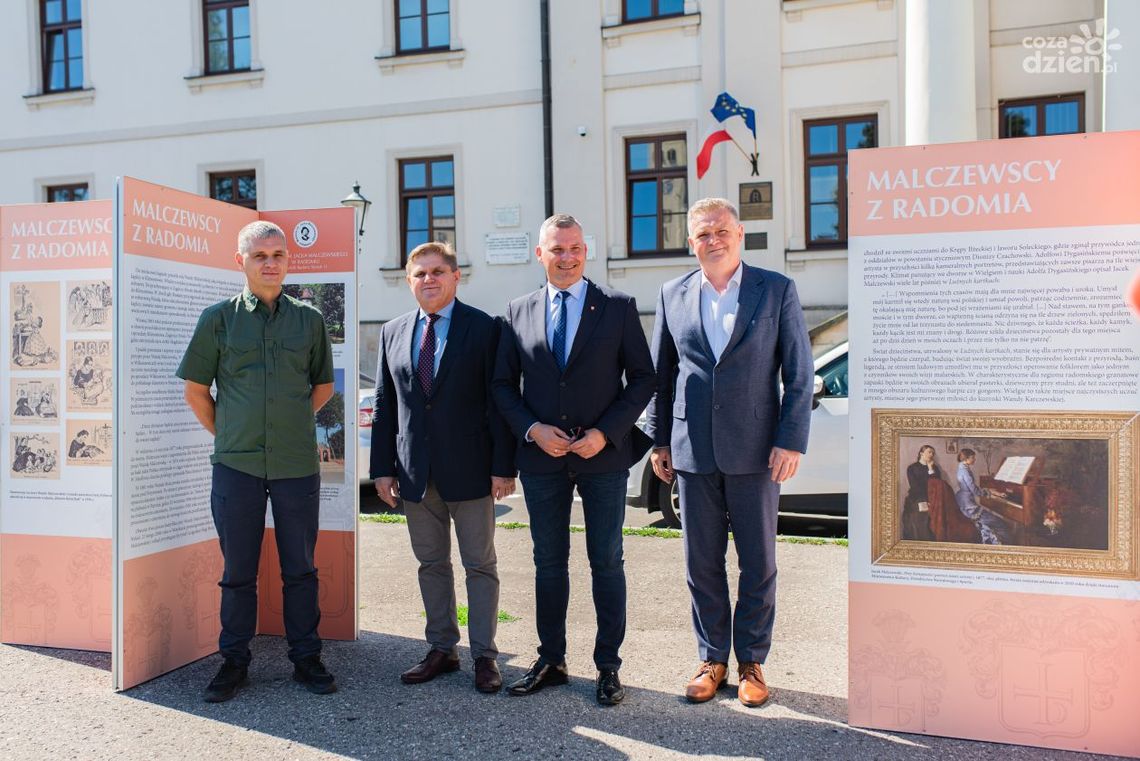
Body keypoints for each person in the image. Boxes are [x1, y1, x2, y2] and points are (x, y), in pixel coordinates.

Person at [645, 198, 813, 708]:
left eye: (720, 231)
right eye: (702, 234)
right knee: (702, 562)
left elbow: (798, 374)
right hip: (691, 448)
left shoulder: (776, 289)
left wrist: (790, 439)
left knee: (758, 562)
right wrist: (658, 439)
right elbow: (662, 374)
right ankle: (712, 658)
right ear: (690, 241)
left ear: (739, 234)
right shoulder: (672, 293)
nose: (712, 240)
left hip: (758, 451)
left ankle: (752, 663)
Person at [492, 214, 655, 706]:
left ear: (587, 251)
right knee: (548, 563)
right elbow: (502, 385)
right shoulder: (517, 311)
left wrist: (607, 432)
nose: (566, 258)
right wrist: (532, 429)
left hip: (602, 458)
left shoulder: (617, 308)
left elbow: (644, 378)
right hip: (542, 459)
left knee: (606, 560)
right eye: (556, 249)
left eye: (575, 248)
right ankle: (552, 659)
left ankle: (608, 666)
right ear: (539, 254)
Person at [177, 220, 336, 703]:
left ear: (288, 260)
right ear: (240, 261)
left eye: (278, 255)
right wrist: (231, 432)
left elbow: (322, 385)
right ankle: (234, 662)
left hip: (295, 465)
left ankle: (306, 657)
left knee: (301, 569)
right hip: (236, 467)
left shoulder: (308, 320)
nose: (270, 263)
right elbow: (196, 390)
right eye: (260, 256)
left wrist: (284, 424)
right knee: (238, 571)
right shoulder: (218, 319)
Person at [371, 241, 516, 694]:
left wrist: (503, 467)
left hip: (471, 470)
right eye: (420, 274)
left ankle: (485, 656)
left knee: (480, 565)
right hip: (415, 472)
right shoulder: (393, 331)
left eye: (437, 271)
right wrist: (382, 469)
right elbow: (384, 405)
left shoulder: (486, 328)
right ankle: (442, 649)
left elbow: (501, 400)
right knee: (431, 563)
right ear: (409, 281)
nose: (428, 280)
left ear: (456, 277)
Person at [954, 448, 1008, 545]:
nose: (974, 459)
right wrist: (991, 493)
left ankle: (989, 542)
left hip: (963, 500)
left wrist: (991, 491)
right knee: (1000, 523)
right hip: (968, 505)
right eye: (973, 458)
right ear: (967, 458)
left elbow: (972, 487)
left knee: (988, 524)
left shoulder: (962, 468)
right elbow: (974, 490)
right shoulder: (965, 471)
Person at [902, 445, 942, 540]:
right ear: (921, 453)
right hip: (917, 497)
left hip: (933, 498)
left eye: (933, 453)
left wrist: (930, 469)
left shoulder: (934, 468)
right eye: (929, 452)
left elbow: (937, 484)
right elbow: (915, 486)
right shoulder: (912, 468)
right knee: (919, 521)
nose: (931, 454)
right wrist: (925, 500)